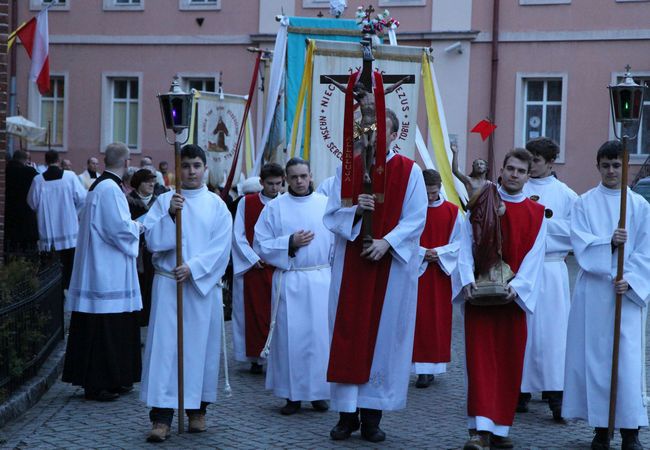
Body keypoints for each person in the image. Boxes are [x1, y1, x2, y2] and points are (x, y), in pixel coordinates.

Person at [324, 109, 427, 442]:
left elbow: (416, 218)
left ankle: (371, 417)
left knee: (383, 341)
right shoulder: (348, 168)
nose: (373, 137)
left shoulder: (409, 171)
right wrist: (355, 211)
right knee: (348, 336)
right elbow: (331, 214)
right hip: (351, 265)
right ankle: (345, 415)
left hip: (389, 268)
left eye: (382, 131)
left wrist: (386, 242)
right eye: (367, 130)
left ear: (395, 135)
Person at [140, 144, 232, 442]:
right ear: (177, 170)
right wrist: (169, 215)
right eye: (185, 166)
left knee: (200, 351)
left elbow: (221, 247)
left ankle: (197, 410)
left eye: (196, 165)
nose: (191, 171)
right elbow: (152, 241)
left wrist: (193, 267)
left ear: (205, 168)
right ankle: (162, 418)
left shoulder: (216, 205)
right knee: (166, 351)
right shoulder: (164, 201)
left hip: (200, 289)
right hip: (169, 286)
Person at [456, 148, 546, 450]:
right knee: (480, 361)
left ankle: (500, 427)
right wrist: (467, 280)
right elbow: (463, 242)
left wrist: (518, 287)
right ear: (502, 170)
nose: (515, 175)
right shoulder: (482, 201)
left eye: (521, 171)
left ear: (528, 175)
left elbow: (535, 256)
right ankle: (479, 430)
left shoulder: (536, 213)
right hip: (481, 297)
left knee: (509, 362)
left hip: (511, 300)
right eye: (510, 169)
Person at [562, 140, 650, 450]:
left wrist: (633, 280)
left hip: (625, 293)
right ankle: (601, 428)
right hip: (595, 292)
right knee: (596, 361)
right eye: (606, 165)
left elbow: (646, 251)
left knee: (626, 362)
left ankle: (630, 431)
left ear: (626, 167)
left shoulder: (639, 206)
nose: (612, 171)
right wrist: (608, 242)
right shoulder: (584, 203)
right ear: (597, 166)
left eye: (617, 165)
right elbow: (580, 242)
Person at [62, 143, 143, 402]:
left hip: (103, 268)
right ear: (127, 162)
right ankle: (99, 383)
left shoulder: (102, 186)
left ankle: (114, 378)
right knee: (104, 329)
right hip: (105, 271)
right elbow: (118, 229)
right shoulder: (109, 189)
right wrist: (140, 227)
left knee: (108, 327)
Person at [253, 157, 331, 415]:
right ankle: (292, 395)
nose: (299, 181)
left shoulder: (325, 204)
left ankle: (320, 393)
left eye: (304, 176)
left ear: (311, 176)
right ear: (287, 179)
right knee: (291, 340)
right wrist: (290, 242)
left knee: (319, 339)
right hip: (291, 279)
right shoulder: (275, 208)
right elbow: (261, 244)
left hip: (321, 280)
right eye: (294, 177)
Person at [518, 137, 578, 420]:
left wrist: (541, 226)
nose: (530, 166)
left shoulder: (565, 194)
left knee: (553, 334)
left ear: (550, 162)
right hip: (522, 270)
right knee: (523, 330)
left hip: (551, 269)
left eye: (536, 160)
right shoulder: (519, 187)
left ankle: (556, 394)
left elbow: (575, 232)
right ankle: (519, 390)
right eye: (528, 159)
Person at [412, 169, 462, 388]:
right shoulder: (413, 210)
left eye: (434, 192)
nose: (431, 196)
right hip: (416, 272)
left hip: (441, 273)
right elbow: (404, 237)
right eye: (427, 192)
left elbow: (461, 242)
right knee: (417, 320)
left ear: (440, 187)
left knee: (437, 320)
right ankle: (417, 368)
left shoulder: (453, 212)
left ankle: (432, 368)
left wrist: (439, 253)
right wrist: (423, 252)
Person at [232, 164, 284, 375]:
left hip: (279, 266)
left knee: (278, 313)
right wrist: (253, 258)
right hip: (253, 266)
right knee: (254, 313)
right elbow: (238, 235)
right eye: (270, 184)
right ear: (261, 182)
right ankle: (255, 357)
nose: (274, 188)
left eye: (278, 184)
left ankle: (278, 355)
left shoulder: (286, 203)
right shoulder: (247, 203)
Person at [27, 150, 86, 290]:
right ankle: (67, 291)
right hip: (69, 232)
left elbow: (31, 203)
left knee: (49, 269)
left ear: (46, 161)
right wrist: (73, 212)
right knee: (69, 267)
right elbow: (83, 198)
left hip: (49, 235)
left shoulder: (38, 180)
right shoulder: (70, 177)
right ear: (59, 160)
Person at [126, 169, 158, 327]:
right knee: (137, 282)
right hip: (135, 250)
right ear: (138, 184)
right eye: (147, 181)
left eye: (153, 181)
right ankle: (137, 317)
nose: (152, 184)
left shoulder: (158, 202)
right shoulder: (128, 201)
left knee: (152, 283)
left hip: (154, 250)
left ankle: (150, 316)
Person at [4, 150, 39, 253]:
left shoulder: (5, 171)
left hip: (8, 214)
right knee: (27, 250)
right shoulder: (30, 172)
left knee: (9, 246)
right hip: (26, 215)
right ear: (26, 160)